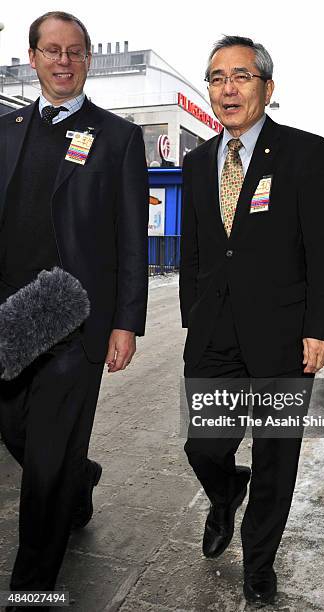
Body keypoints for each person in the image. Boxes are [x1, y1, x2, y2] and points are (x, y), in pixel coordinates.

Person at [179, 35, 324, 606]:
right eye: (217, 77)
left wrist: (322, 326)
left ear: (267, 88)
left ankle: (260, 563)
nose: (228, 89)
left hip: (283, 335)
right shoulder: (198, 161)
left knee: (277, 454)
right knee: (205, 445)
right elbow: (196, 251)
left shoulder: (303, 151)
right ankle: (225, 492)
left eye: (242, 76)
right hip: (215, 335)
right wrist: (191, 319)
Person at [0, 11, 148, 601]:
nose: (64, 61)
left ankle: (32, 586)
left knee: (44, 459)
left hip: (71, 312)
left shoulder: (117, 136)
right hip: (12, 314)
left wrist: (126, 322)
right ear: (32, 57)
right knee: (14, 427)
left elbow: (133, 237)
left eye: (76, 52)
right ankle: (78, 479)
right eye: (53, 51)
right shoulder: (7, 128)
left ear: (88, 60)